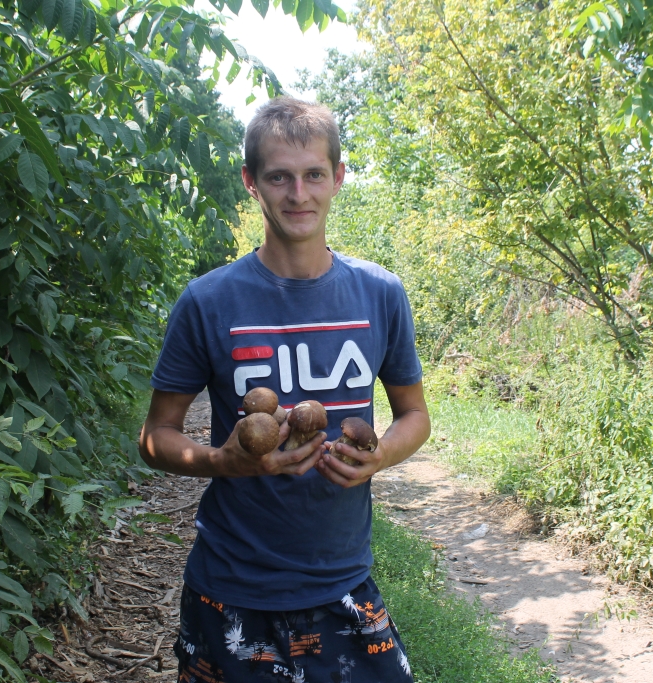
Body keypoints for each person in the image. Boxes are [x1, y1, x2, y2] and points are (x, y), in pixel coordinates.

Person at [139, 96, 430, 682]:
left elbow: (414, 415)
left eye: (314, 174)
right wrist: (223, 461)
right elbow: (155, 436)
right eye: (279, 177)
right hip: (231, 587)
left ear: (338, 177)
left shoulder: (380, 294)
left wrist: (379, 458)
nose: (299, 194)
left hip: (343, 581)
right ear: (251, 181)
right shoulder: (208, 301)